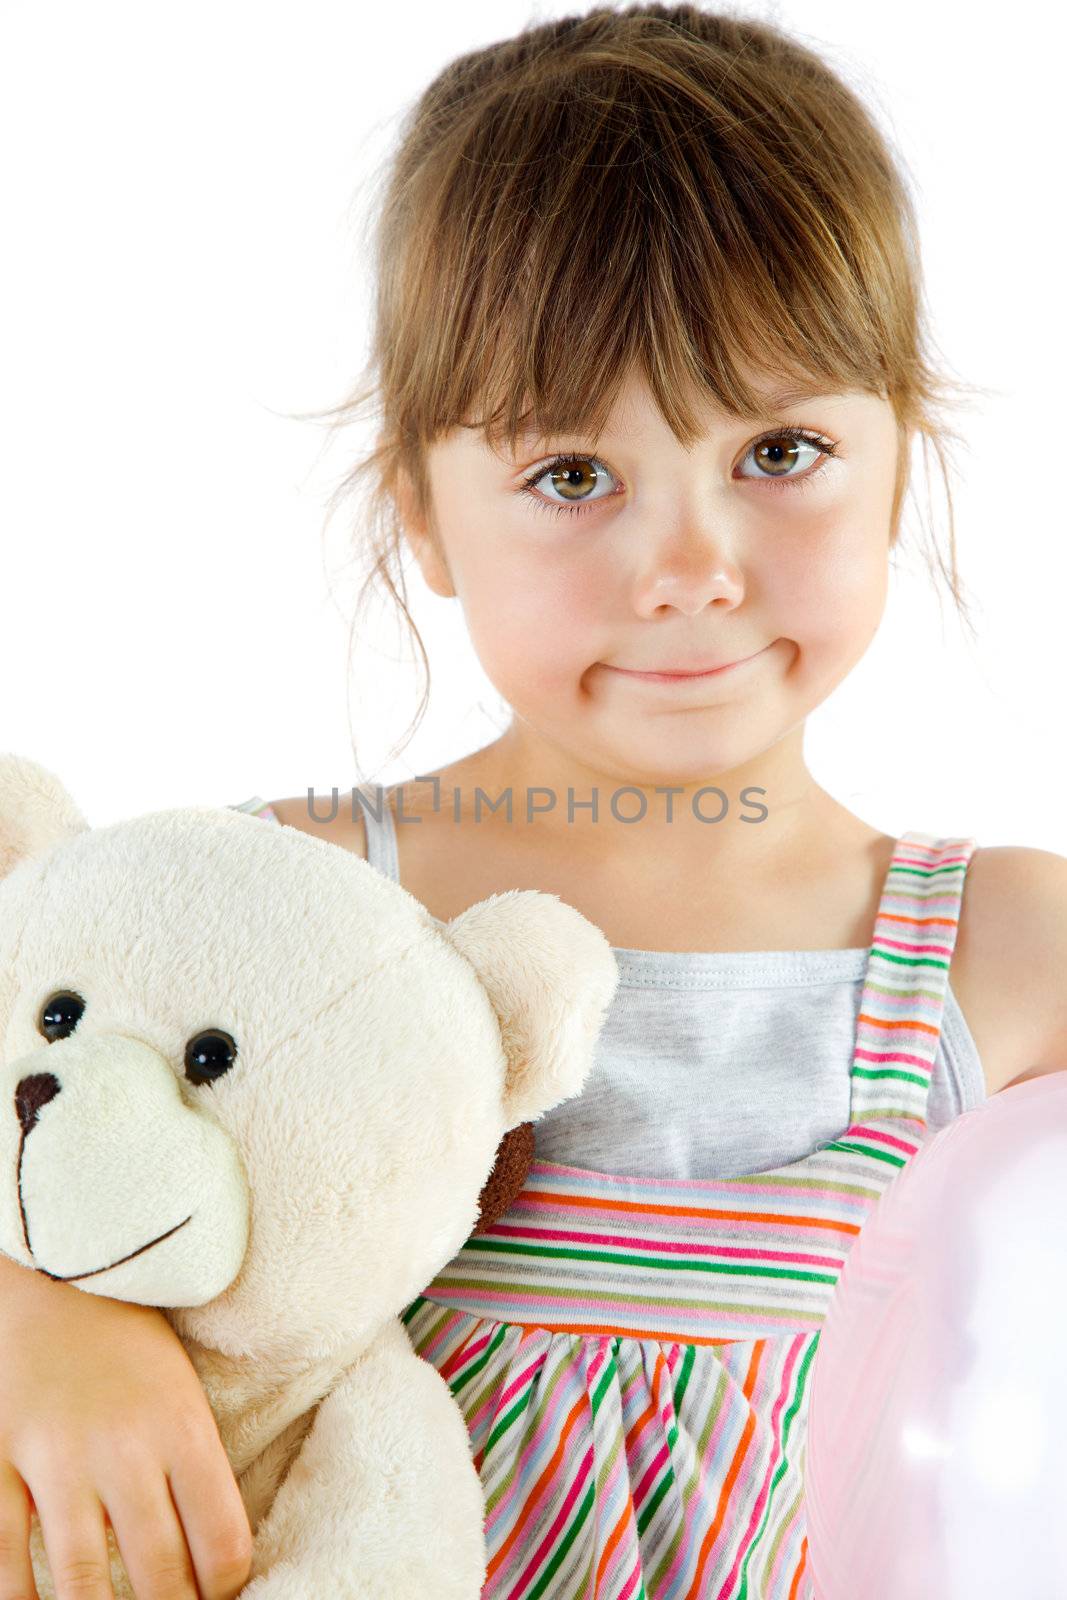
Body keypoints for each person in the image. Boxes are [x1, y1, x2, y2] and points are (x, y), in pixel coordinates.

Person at [3, 6, 1065, 1598]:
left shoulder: (1000, 953)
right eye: (575, 476)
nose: (690, 570)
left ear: (902, 462)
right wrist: (40, 1315)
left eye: (781, 449)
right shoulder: (279, 903)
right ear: (421, 513)